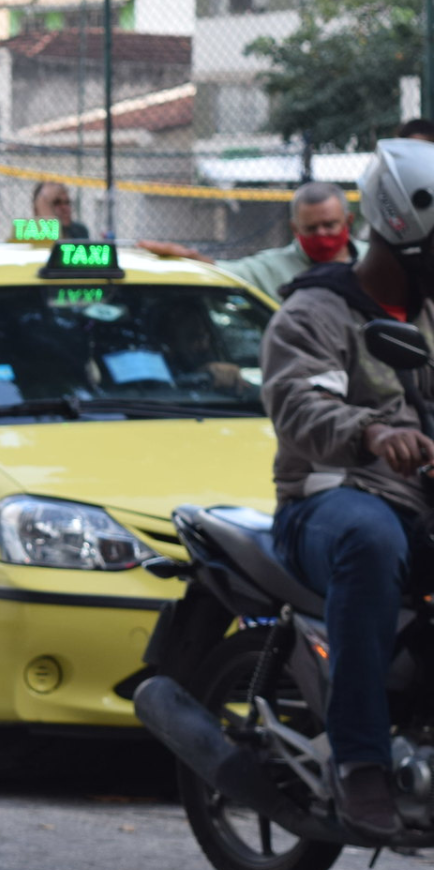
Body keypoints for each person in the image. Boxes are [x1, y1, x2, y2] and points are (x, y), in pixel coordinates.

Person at [260, 138, 434, 842]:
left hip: (416, 504)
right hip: (327, 501)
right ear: (406, 235)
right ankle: (360, 760)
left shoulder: (427, 317)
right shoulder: (315, 313)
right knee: (370, 537)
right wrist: (370, 432)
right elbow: (298, 406)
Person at [136, 181, 355, 301]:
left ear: (348, 221)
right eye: (311, 228)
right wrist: (191, 258)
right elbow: (222, 272)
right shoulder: (270, 268)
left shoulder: (373, 264)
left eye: (329, 225)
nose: (322, 234)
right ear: (294, 228)